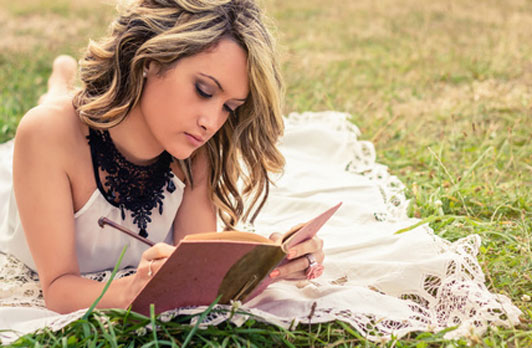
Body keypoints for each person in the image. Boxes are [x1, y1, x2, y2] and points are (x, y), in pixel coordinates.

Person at [0, 0, 324, 315]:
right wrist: (131, 289)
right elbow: (58, 289)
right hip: (43, 157)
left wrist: (269, 263)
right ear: (151, 60)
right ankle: (59, 81)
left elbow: (199, 275)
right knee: (56, 105)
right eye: (204, 91)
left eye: (229, 107)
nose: (211, 122)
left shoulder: (194, 152)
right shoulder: (46, 135)